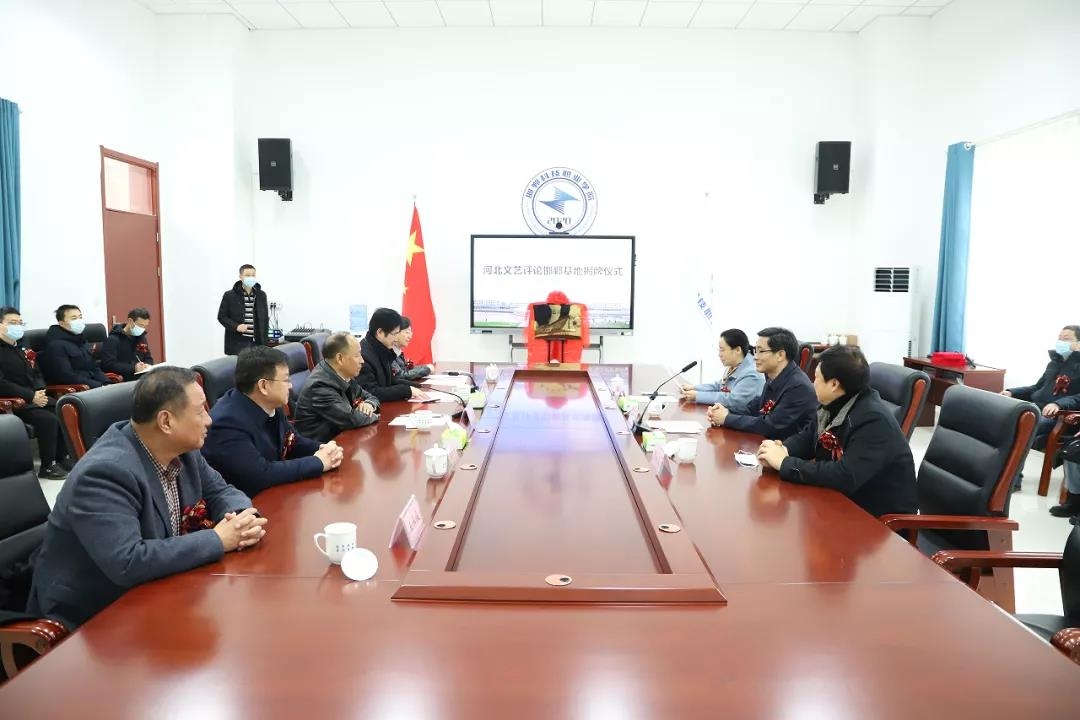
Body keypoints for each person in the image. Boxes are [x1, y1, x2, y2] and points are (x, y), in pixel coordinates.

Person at [26, 367, 268, 630]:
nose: (209, 420)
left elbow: (221, 491)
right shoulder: (104, 473)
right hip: (95, 614)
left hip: (159, 588)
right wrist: (219, 539)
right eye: (200, 411)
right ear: (166, 422)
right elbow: (128, 561)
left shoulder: (183, 450)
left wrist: (241, 521)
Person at [757, 345, 918, 518]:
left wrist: (785, 463)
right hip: (843, 501)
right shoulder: (833, 403)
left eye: (816, 378)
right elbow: (809, 438)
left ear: (834, 384)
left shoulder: (874, 421)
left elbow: (845, 476)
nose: (813, 383)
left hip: (876, 518)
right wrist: (782, 450)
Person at [201, 346, 344, 496]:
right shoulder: (226, 424)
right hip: (249, 502)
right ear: (263, 386)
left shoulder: (270, 403)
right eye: (286, 380)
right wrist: (318, 462)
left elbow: (293, 441)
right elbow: (260, 474)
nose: (291, 386)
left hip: (276, 493)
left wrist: (325, 449)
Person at [707, 327, 817, 440]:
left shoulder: (798, 387)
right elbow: (756, 407)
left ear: (780, 355)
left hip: (783, 446)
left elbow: (770, 425)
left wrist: (727, 419)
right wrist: (727, 412)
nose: (755, 357)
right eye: (756, 350)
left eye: (761, 351)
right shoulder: (772, 375)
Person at [0, 306, 72, 478]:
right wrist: (31, 396)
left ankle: (62, 458)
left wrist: (40, 390)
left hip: (34, 397)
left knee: (62, 408)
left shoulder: (22, 346)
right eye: (12, 323)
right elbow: (1, 383)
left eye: (20, 323)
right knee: (48, 419)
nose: (17, 326)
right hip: (13, 402)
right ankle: (47, 466)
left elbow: (36, 371)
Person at [1001, 325, 1080, 449]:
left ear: (1078, 344)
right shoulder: (1054, 363)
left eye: (1066, 339)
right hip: (1036, 407)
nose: (1060, 342)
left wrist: (1058, 404)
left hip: (1059, 416)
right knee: (1001, 414)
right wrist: (1012, 392)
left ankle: (1008, 457)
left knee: (1023, 425)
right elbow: (1037, 388)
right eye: (1059, 338)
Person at [294, 331, 380, 443]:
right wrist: (374, 415)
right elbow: (351, 419)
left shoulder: (342, 373)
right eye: (357, 355)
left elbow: (371, 397)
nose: (362, 361)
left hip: (340, 440)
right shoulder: (320, 386)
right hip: (320, 448)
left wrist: (369, 404)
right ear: (339, 358)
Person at [679, 328, 764, 413]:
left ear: (738, 350)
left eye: (722, 350)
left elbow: (733, 400)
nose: (719, 355)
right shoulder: (735, 365)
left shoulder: (752, 374)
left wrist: (697, 395)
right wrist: (694, 388)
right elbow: (719, 386)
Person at [358, 308, 429, 403]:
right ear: (380, 332)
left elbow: (390, 380)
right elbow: (371, 392)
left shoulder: (381, 349)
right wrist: (406, 391)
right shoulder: (363, 356)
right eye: (394, 334)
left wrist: (416, 386)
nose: (396, 339)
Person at [40, 304, 110, 388]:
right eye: (74, 318)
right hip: (77, 388)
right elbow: (66, 376)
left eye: (80, 317)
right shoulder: (55, 345)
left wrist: (106, 382)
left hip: (92, 384)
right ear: (62, 323)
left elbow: (94, 367)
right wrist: (97, 385)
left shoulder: (81, 340)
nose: (79, 321)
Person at [217, 264, 269, 356]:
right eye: (247, 275)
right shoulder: (229, 295)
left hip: (257, 343)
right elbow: (221, 316)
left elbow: (265, 319)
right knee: (240, 365)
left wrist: (265, 342)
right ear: (240, 276)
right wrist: (236, 326)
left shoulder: (261, 295)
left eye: (253, 275)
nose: (251, 278)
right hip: (237, 344)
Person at [100, 307, 154, 381]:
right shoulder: (113, 340)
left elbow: (148, 357)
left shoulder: (141, 338)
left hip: (141, 377)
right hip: (123, 379)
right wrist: (133, 368)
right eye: (140, 325)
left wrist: (147, 365)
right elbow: (108, 365)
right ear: (130, 321)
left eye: (145, 326)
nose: (143, 329)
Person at [392, 315, 434, 382]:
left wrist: (426, 367)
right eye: (407, 332)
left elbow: (408, 369)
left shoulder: (398, 352)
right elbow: (401, 376)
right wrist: (427, 369)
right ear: (396, 333)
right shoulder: (388, 352)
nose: (410, 336)